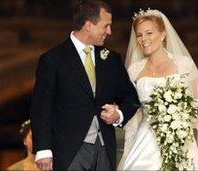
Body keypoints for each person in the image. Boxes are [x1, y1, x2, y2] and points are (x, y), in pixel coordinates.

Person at [30, 1, 140, 170]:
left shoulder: (112, 59)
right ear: (88, 25)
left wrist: (118, 114)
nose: (110, 32)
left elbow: (131, 97)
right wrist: (43, 149)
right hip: (68, 151)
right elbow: (41, 108)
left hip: (105, 150)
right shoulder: (53, 59)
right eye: (106, 26)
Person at [118, 9, 198, 170]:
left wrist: (177, 121)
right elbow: (130, 106)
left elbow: (197, 109)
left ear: (162, 34)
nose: (143, 39)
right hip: (144, 143)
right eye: (139, 35)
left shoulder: (184, 65)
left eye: (149, 33)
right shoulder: (134, 70)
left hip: (180, 139)